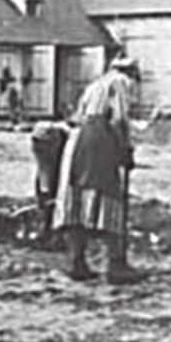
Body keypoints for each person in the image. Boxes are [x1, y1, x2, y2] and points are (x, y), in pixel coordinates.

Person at [52, 56, 141, 284]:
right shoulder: (120, 82)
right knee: (109, 197)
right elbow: (119, 119)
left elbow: (78, 116)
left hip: (78, 140)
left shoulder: (94, 85)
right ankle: (116, 264)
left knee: (77, 198)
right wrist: (126, 150)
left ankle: (77, 262)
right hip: (99, 140)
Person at [30, 120, 71, 241]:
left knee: (50, 185)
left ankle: (51, 226)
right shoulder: (44, 147)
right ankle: (46, 224)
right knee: (46, 183)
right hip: (46, 136)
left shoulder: (62, 143)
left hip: (50, 138)